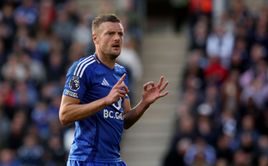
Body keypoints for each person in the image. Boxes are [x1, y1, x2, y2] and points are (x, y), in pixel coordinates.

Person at [59, 14, 169, 166]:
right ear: (95, 38)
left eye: (120, 34)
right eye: (110, 33)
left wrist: (144, 103)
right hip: (87, 159)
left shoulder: (121, 72)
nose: (117, 38)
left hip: (113, 160)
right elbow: (65, 115)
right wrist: (105, 101)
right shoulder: (82, 68)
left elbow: (124, 120)